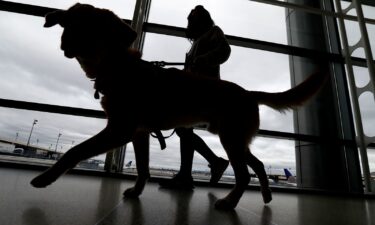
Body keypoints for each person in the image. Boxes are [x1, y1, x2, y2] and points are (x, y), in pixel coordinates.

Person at [160, 5, 231, 189]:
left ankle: (195, 171)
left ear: (202, 19)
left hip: (203, 91)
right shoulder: (198, 41)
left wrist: (205, 58)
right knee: (184, 129)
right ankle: (200, 169)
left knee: (183, 129)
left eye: (193, 18)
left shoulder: (213, 32)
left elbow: (225, 51)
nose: (189, 21)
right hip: (194, 91)